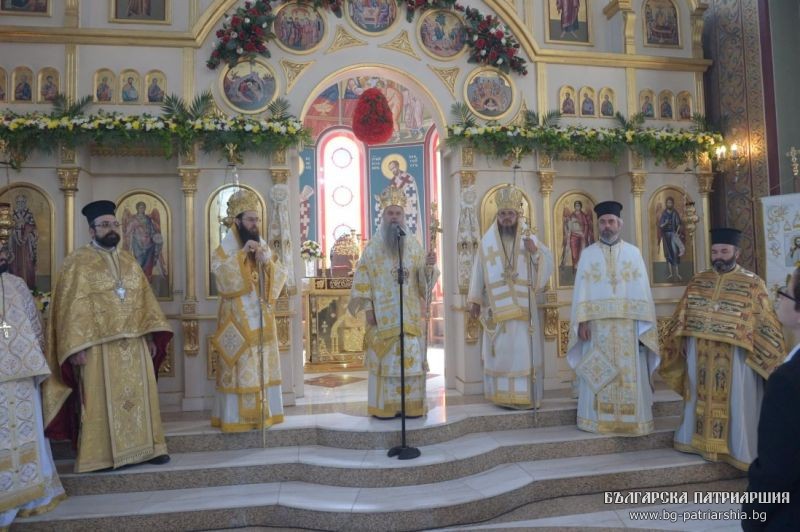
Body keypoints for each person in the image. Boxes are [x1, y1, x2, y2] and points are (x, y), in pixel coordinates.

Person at [42, 200, 172, 472]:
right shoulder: (77, 262)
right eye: (105, 225)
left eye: (114, 224)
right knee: (99, 402)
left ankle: (151, 448)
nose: (112, 230)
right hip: (96, 347)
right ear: (92, 231)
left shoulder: (128, 259)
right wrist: (74, 346)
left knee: (139, 397)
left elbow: (144, 300)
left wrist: (149, 335)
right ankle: (98, 457)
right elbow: (69, 308)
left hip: (134, 343)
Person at [659, 228, 785, 471]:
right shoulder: (699, 279)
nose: (719, 256)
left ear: (736, 252)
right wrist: (683, 339)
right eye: (715, 251)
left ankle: (736, 449)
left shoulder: (752, 283)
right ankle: (696, 442)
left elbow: (764, 323)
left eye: (724, 251)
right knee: (698, 395)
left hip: (736, 355)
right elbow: (684, 313)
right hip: (700, 350)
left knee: (736, 400)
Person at [567, 201, 660, 435]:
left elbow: (642, 293)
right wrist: (583, 321)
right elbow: (581, 293)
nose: (607, 226)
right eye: (602, 222)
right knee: (598, 372)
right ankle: (595, 420)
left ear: (619, 223)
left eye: (611, 221)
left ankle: (633, 421)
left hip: (628, 326)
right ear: (598, 224)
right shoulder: (588, 255)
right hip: (597, 329)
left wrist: (642, 328)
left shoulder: (633, 253)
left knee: (628, 374)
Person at [349, 186, 438, 419]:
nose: (394, 218)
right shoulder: (372, 248)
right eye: (390, 213)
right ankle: (385, 408)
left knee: (409, 361)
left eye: (398, 213)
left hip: (408, 317)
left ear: (403, 216)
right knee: (386, 363)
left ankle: (410, 407)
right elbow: (362, 279)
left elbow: (423, 283)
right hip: (382, 318)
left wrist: (429, 266)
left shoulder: (414, 246)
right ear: (383, 216)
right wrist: (368, 309)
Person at [468, 185, 554, 409]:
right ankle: (502, 396)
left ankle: (525, 397)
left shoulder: (528, 238)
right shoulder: (486, 243)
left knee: (523, 352)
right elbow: (478, 271)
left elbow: (547, 263)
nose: (507, 218)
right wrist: (475, 299)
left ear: (518, 215)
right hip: (496, 309)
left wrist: (534, 251)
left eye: (511, 214)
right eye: (503, 214)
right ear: (497, 215)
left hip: (524, 309)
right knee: (503, 353)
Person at [210, 189, 288, 432]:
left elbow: (280, 275)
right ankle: (237, 419)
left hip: (262, 317)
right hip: (237, 319)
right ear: (237, 222)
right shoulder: (225, 249)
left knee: (262, 364)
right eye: (251, 220)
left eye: (257, 220)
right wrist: (243, 255)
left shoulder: (262, 245)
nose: (255, 225)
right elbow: (221, 277)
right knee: (241, 365)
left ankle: (265, 413)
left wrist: (267, 262)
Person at [0, 244, 65, 528]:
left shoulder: (16, 284)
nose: (3, 256)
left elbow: (35, 324)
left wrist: (38, 359)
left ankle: (29, 492)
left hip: (22, 377)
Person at [742, 266, 800, 530]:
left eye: (786, 293)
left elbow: (775, 471)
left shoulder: (788, 381)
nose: (779, 298)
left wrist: (753, 519)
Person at [123, 201, 165, 283]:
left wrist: (155, 236)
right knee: (139, 261)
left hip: (149, 243)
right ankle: (139, 280)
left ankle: (147, 280)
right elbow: (128, 231)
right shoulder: (133, 219)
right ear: (137, 208)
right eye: (140, 207)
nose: (142, 209)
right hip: (137, 244)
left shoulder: (148, 219)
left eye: (143, 207)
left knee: (149, 262)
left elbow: (152, 229)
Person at [9, 193, 38, 290]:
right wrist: (16, 227)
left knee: (28, 265)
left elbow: (33, 229)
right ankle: (15, 289)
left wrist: (26, 228)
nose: (20, 204)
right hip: (14, 246)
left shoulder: (29, 214)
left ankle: (29, 288)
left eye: (22, 202)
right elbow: (8, 229)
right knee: (14, 266)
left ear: (25, 203)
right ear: (16, 203)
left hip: (26, 246)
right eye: (18, 202)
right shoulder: (13, 215)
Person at [561, 199, 594, 272]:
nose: (577, 207)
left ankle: (582, 267)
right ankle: (575, 267)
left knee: (582, 251)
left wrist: (584, 234)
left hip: (582, 236)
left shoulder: (583, 215)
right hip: (573, 236)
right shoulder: (572, 215)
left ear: (581, 207)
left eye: (578, 205)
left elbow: (586, 225)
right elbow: (568, 225)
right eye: (576, 205)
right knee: (574, 252)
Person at [658, 196, 683, 280]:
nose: (669, 204)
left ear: (673, 204)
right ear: (666, 204)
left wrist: (676, 232)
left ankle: (678, 273)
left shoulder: (675, 213)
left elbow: (679, 224)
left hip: (673, 235)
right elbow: (661, 225)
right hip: (666, 236)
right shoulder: (664, 213)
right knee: (668, 254)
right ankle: (670, 274)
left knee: (675, 253)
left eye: (671, 203)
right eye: (668, 203)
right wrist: (665, 223)